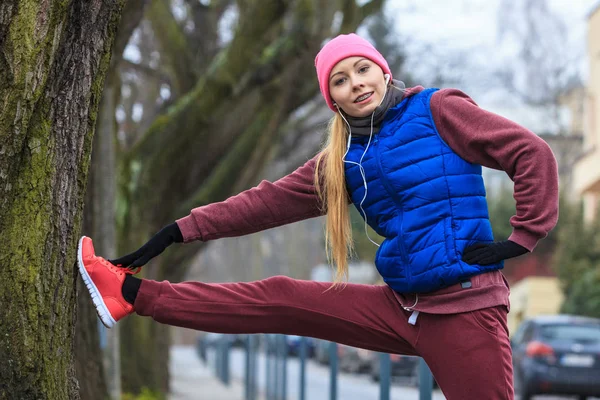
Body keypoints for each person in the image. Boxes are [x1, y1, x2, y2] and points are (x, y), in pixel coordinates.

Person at [78, 33, 558, 399]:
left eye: (361, 70)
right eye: (340, 81)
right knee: (280, 297)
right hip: (402, 307)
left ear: (382, 71)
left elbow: (530, 152)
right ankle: (127, 293)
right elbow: (264, 203)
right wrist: (178, 231)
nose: (356, 84)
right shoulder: (345, 158)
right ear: (333, 99)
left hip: (464, 310)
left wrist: (521, 238)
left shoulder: (438, 109)